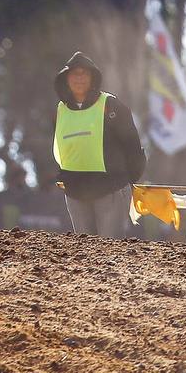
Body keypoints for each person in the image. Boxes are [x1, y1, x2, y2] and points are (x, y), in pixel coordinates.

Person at [52, 51, 146, 236]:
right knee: (85, 252)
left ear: (93, 78)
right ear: (66, 79)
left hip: (111, 189)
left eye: (84, 74)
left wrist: (131, 179)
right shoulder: (60, 110)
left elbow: (132, 144)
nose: (79, 79)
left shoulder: (111, 105)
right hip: (75, 191)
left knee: (109, 249)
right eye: (74, 74)